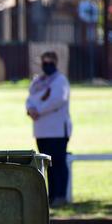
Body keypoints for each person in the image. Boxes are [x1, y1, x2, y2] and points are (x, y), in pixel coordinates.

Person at [26, 51, 72, 207]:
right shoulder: (38, 81)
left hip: (57, 131)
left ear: (56, 63)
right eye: (44, 63)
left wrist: (39, 110)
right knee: (47, 165)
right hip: (42, 130)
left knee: (58, 163)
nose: (47, 66)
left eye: (50, 63)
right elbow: (30, 98)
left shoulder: (60, 80)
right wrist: (31, 109)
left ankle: (61, 195)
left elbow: (57, 100)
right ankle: (51, 196)